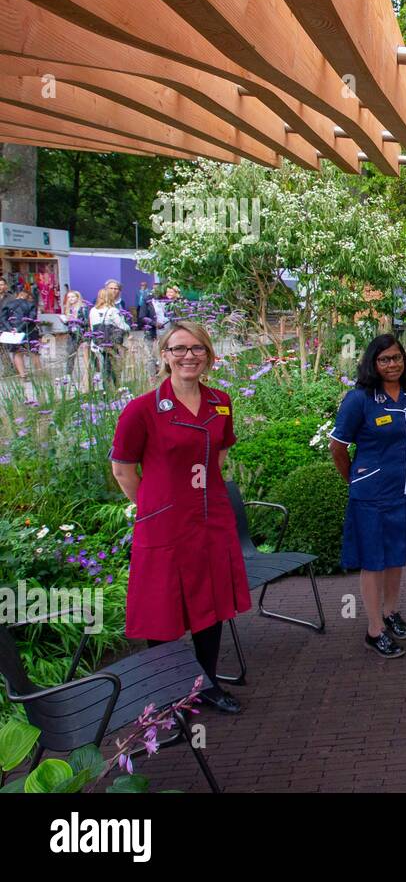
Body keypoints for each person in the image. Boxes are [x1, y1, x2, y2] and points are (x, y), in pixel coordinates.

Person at [109, 320, 249, 714]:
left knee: (210, 603)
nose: (189, 356)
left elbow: (219, 454)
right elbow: (123, 469)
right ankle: (172, 692)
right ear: (165, 355)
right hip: (165, 526)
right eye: (179, 349)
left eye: (197, 349)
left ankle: (205, 684)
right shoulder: (142, 410)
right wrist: (155, 508)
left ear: (209, 355)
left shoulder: (220, 401)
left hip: (210, 520)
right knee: (163, 609)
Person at [328, 334, 406, 659]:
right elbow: (338, 447)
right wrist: (355, 481)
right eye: (384, 359)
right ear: (372, 363)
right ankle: (374, 629)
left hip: (404, 489)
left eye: (397, 358)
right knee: (373, 561)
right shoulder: (359, 399)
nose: (392, 364)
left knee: (396, 555)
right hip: (370, 495)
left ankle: (391, 612)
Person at [88, 286, 130, 389]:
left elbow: (91, 325)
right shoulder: (112, 310)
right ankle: (115, 388)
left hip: (96, 342)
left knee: (103, 366)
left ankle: (106, 389)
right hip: (110, 342)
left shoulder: (92, 310)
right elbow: (123, 326)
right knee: (113, 366)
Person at [0, 286, 40, 382]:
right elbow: (31, 318)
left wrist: (11, 329)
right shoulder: (31, 305)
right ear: (25, 294)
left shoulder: (8, 305)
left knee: (17, 353)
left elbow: (2, 318)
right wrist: (19, 328)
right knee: (34, 352)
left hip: (13, 333)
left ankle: (23, 376)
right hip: (29, 331)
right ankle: (39, 374)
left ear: (16, 294)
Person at [61, 290, 90, 388]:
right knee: (70, 354)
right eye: (69, 297)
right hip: (72, 334)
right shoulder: (69, 309)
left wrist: (76, 321)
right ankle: (68, 375)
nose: (70, 299)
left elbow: (87, 322)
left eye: (73, 297)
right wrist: (66, 320)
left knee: (89, 354)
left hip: (82, 333)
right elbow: (68, 324)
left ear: (78, 297)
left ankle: (96, 371)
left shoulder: (83, 308)